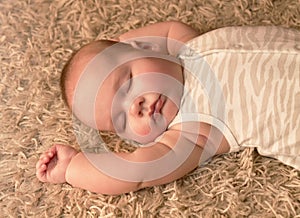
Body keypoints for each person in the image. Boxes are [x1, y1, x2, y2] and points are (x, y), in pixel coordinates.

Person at [36, 21, 300, 195]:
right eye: (121, 120)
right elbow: (136, 172)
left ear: (146, 47)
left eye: (128, 82)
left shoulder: (187, 46)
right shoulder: (192, 129)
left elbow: (167, 30)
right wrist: (73, 167)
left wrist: (119, 41)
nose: (135, 107)